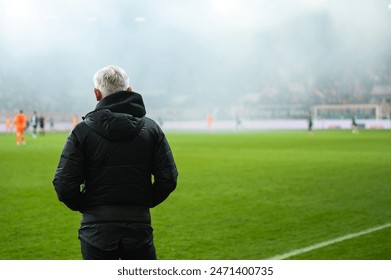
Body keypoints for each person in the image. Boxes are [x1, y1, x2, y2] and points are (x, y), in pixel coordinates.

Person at [52, 65, 178, 260]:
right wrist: (145, 200)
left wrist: (87, 205)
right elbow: (168, 178)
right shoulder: (152, 128)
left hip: (95, 230)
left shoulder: (82, 131)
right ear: (129, 90)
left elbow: (63, 184)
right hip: (139, 226)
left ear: (96, 94)